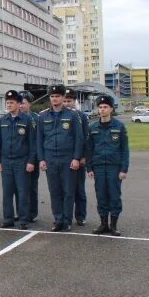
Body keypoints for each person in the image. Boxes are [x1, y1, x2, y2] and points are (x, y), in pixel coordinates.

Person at [37, 84, 84, 232]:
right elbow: (39, 140)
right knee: (55, 191)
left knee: (68, 191)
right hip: (50, 158)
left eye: (57, 96)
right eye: (52, 96)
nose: (55, 99)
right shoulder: (43, 116)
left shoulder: (72, 115)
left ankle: (67, 220)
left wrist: (76, 158)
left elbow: (79, 138)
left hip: (67, 158)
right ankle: (58, 219)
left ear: (63, 98)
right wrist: (41, 159)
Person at [87, 95, 129, 236]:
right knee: (101, 196)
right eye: (100, 107)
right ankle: (103, 224)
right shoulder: (92, 128)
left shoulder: (119, 127)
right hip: (98, 167)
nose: (102, 110)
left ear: (111, 109)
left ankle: (114, 226)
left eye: (105, 107)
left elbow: (124, 149)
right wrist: (89, 167)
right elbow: (89, 149)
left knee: (114, 196)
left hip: (114, 167)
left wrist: (124, 169)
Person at [0, 90, 36, 229]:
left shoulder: (27, 120)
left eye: (12, 102)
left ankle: (23, 219)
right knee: (7, 192)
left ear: (18, 104)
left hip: (21, 161)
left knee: (23, 192)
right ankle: (8, 219)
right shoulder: (2, 120)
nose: (9, 105)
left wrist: (30, 161)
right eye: (7, 102)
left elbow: (32, 143)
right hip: (6, 161)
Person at [64, 88, 91, 226]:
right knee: (66, 190)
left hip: (78, 158)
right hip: (64, 159)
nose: (66, 103)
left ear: (74, 101)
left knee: (79, 188)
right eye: (65, 101)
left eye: (69, 101)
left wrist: (83, 157)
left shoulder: (82, 116)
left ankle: (80, 215)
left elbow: (85, 138)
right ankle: (64, 215)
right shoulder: (61, 116)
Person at [19, 91, 40, 222]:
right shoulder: (13, 117)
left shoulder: (36, 118)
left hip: (33, 158)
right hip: (19, 159)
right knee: (19, 188)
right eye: (19, 103)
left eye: (23, 103)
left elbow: (38, 139)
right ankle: (21, 212)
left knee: (31, 187)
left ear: (30, 104)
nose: (20, 106)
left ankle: (32, 213)